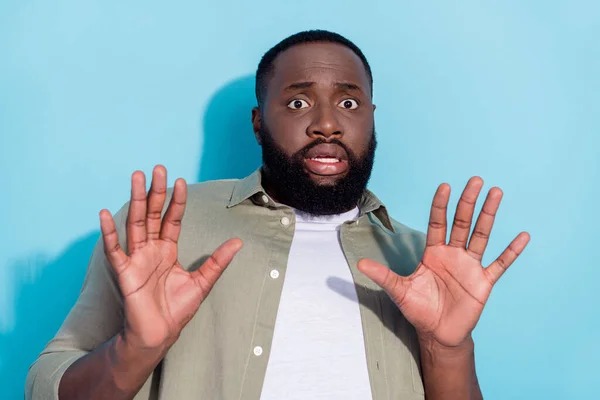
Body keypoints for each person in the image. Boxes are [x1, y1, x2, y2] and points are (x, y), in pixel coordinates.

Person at [25, 29, 530, 400]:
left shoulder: (419, 258)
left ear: (373, 119)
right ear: (257, 122)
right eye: (297, 102)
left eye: (349, 102)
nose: (327, 124)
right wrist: (135, 348)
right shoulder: (163, 230)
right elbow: (46, 384)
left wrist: (448, 348)